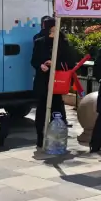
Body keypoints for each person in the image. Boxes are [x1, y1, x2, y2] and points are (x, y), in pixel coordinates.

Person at [30, 17, 80, 149]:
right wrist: (41, 66)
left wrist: (54, 64)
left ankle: (58, 137)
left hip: (58, 82)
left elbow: (70, 63)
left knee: (58, 109)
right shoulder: (39, 42)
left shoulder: (64, 43)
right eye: (50, 29)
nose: (52, 32)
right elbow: (34, 61)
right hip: (43, 81)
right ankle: (40, 138)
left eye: (54, 29)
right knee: (41, 110)